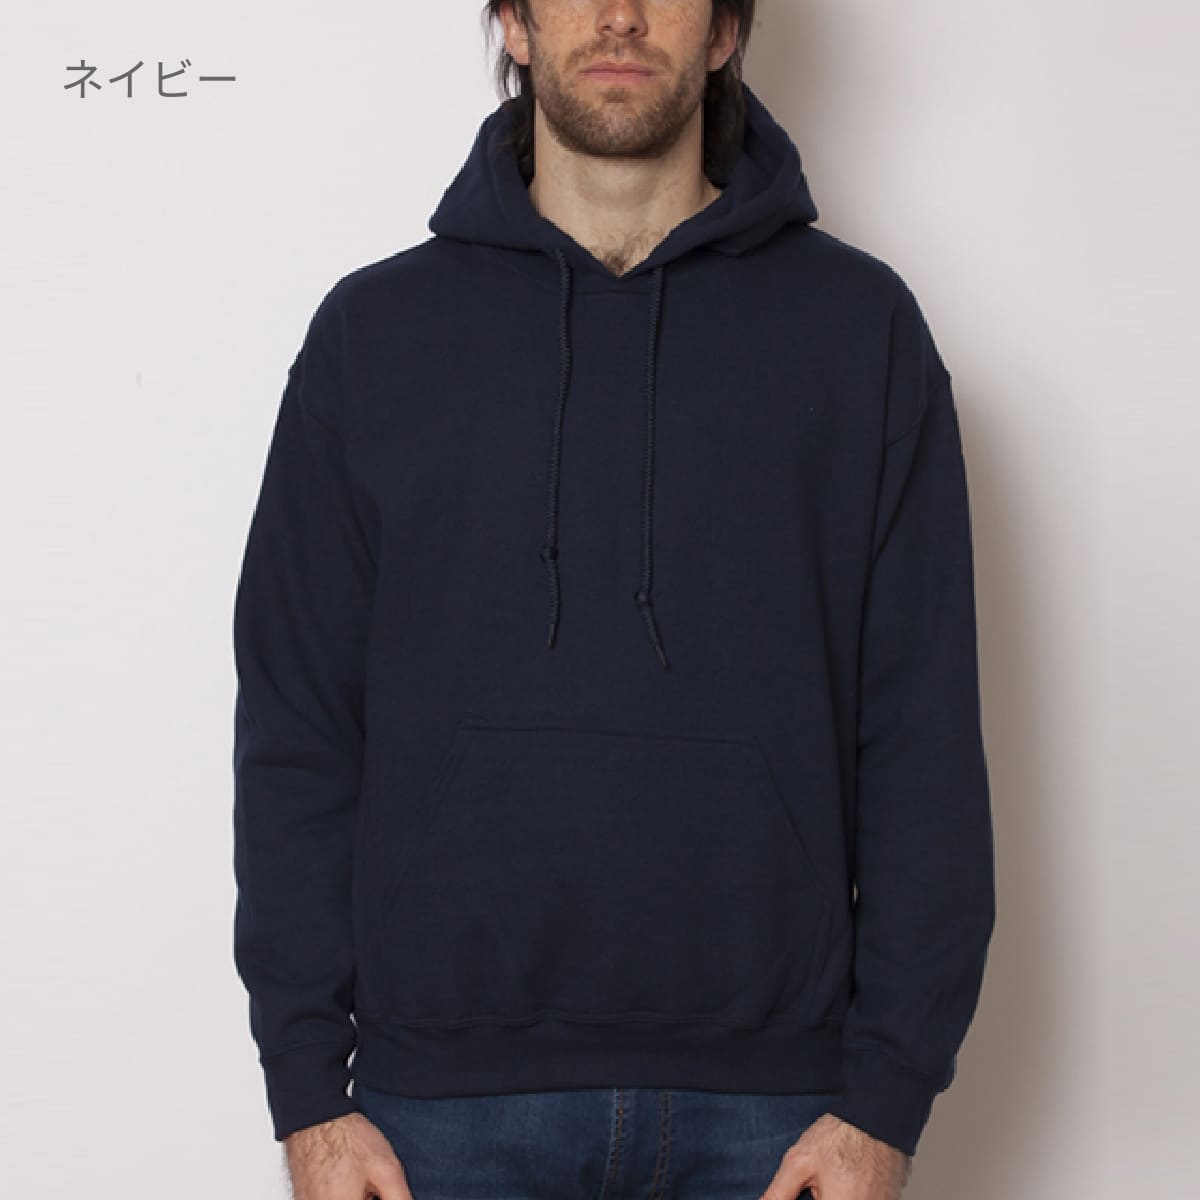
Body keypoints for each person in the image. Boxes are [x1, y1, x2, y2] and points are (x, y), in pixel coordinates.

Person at [230, 2, 997, 1197]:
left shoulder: (860, 331)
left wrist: (886, 1102)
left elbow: (923, 728)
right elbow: (297, 727)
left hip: (781, 1114)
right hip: (438, 1114)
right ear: (516, 25)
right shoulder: (374, 337)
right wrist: (307, 1094)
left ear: (726, 31)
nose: (622, 13)